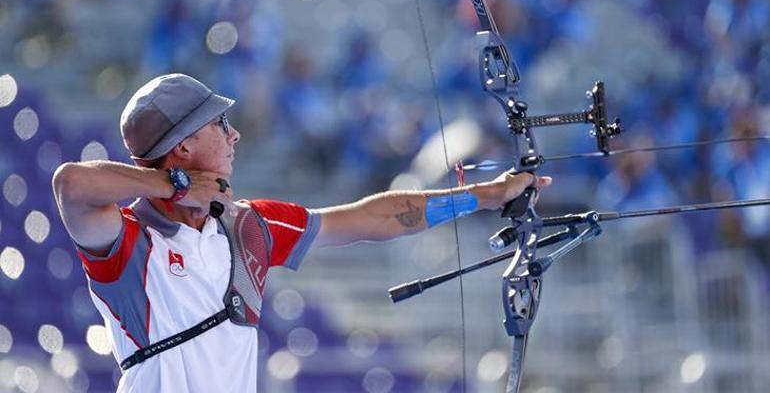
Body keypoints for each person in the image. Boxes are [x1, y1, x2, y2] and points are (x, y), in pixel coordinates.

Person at [51, 74, 551, 392]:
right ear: (181, 146)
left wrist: (486, 196)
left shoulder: (248, 225)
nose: (235, 134)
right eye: (220, 123)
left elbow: (376, 217)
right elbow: (71, 183)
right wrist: (180, 186)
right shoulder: (130, 241)